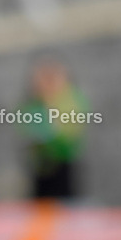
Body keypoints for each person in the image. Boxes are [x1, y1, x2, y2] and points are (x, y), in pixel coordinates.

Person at [18, 56, 90, 200]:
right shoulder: (35, 104)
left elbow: (69, 132)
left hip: (64, 164)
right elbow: (26, 126)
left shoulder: (70, 101)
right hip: (40, 166)